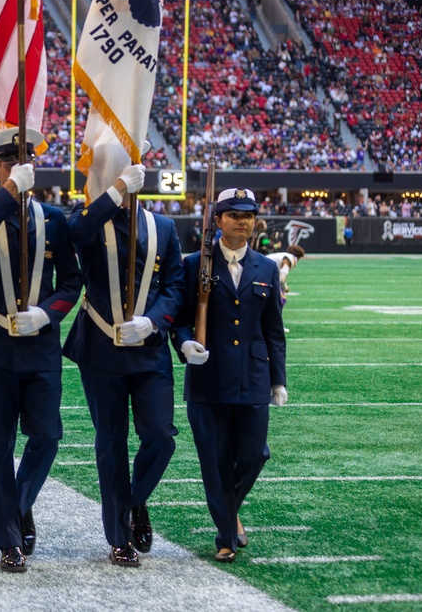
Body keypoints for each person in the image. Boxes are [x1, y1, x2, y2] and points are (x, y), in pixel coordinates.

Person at [0, 128, 81, 572]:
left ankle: (19, 502)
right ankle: (8, 540)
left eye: (27, 162)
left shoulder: (54, 218)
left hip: (41, 349)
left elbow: (72, 282)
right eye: (11, 163)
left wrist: (48, 314)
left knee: (48, 436)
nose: (20, 168)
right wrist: (10, 191)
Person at [64, 160, 184, 568]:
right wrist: (113, 191)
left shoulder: (164, 228)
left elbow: (174, 286)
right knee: (110, 444)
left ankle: (134, 502)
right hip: (100, 349)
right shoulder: (91, 219)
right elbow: (73, 233)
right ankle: (118, 537)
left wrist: (152, 321)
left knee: (161, 436)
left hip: (149, 350)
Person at [171, 187, 287, 563]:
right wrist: (185, 344)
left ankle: (228, 508)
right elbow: (182, 319)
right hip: (208, 378)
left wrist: (278, 379)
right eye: (235, 215)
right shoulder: (193, 265)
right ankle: (226, 535)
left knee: (255, 454)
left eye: (249, 215)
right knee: (216, 459)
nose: (243, 222)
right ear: (218, 220)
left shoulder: (266, 267)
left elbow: (273, 330)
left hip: (253, 376)